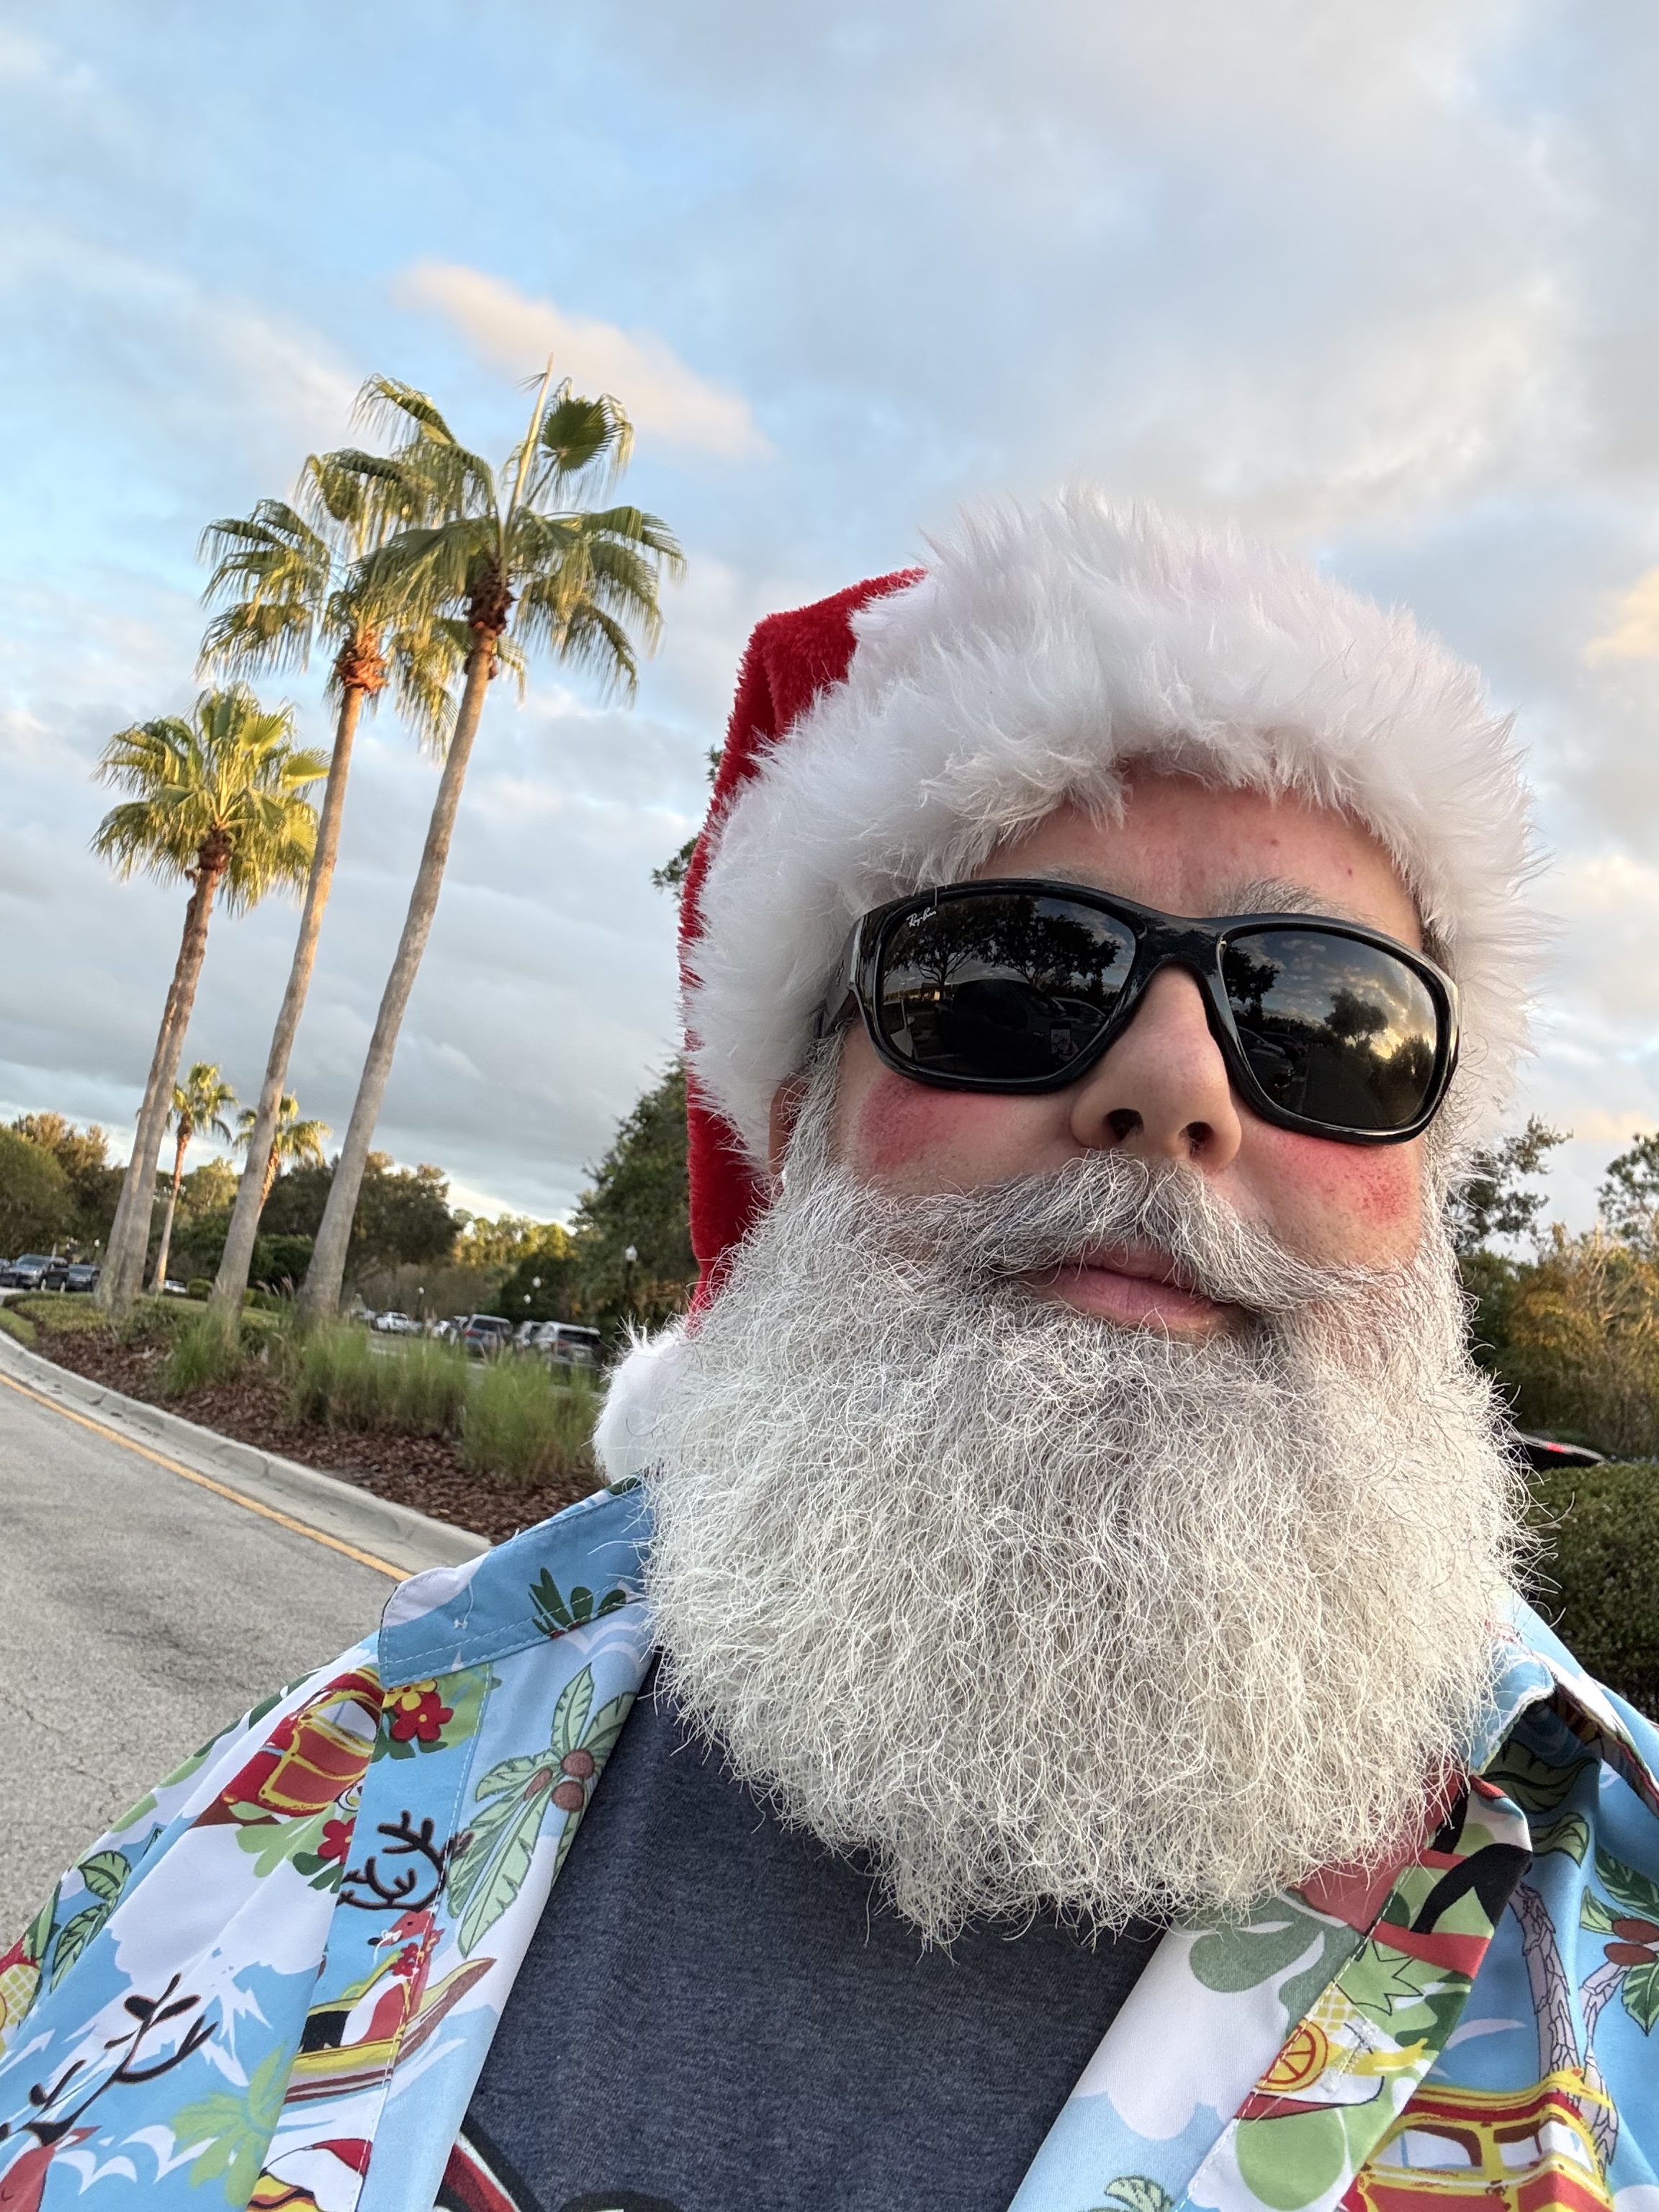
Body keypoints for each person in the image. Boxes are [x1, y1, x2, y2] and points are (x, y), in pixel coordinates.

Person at [3, 497, 1655, 2212]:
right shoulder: (346, 1764)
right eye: (1010, 979)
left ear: (1425, 1198)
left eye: (1332, 1022)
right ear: (800, 1134)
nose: (1176, 1084)